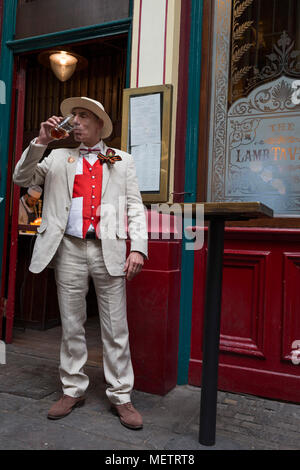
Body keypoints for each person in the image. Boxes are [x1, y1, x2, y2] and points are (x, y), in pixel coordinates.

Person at [13, 97, 148, 430]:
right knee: (71, 324)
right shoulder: (57, 157)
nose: (75, 121)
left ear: (99, 124)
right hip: (69, 249)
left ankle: (121, 395)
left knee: (116, 328)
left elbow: (135, 208)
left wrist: (139, 249)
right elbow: (21, 178)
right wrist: (41, 141)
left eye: (83, 116)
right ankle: (73, 389)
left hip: (110, 249)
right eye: (73, 115)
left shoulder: (122, 160)